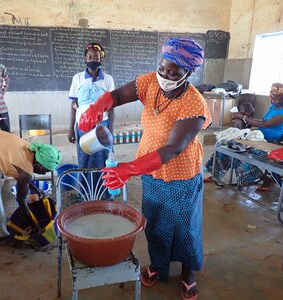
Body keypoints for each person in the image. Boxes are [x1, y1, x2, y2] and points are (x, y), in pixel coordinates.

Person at [79, 37, 210, 300]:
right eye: (162, 68)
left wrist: (129, 169)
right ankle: (158, 266)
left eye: (173, 72)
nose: (165, 75)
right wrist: (97, 106)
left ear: (189, 72)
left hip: (180, 172)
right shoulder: (150, 82)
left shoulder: (194, 104)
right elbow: (117, 95)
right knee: (156, 222)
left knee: (185, 225)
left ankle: (187, 273)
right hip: (149, 169)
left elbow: (173, 148)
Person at [205, 83, 283, 191]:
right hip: (257, 137)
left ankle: (266, 179)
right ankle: (216, 176)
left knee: (243, 156)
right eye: (271, 98)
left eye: (275, 99)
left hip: (269, 142)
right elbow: (262, 121)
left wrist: (243, 117)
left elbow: (265, 125)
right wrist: (245, 120)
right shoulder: (274, 107)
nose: (272, 101)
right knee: (225, 146)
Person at [67, 42, 115, 199]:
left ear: (101, 59)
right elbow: (73, 104)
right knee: (85, 159)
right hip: (82, 126)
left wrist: (111, 130)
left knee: (103, 159)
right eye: (90, 57)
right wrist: (70, 129)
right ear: (85, 59)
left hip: (102, 126)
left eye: (96, 57)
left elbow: (112, 105)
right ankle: (85, 193)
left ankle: (105, 194)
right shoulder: (78, 78)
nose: (93, 59)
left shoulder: (107, 79)